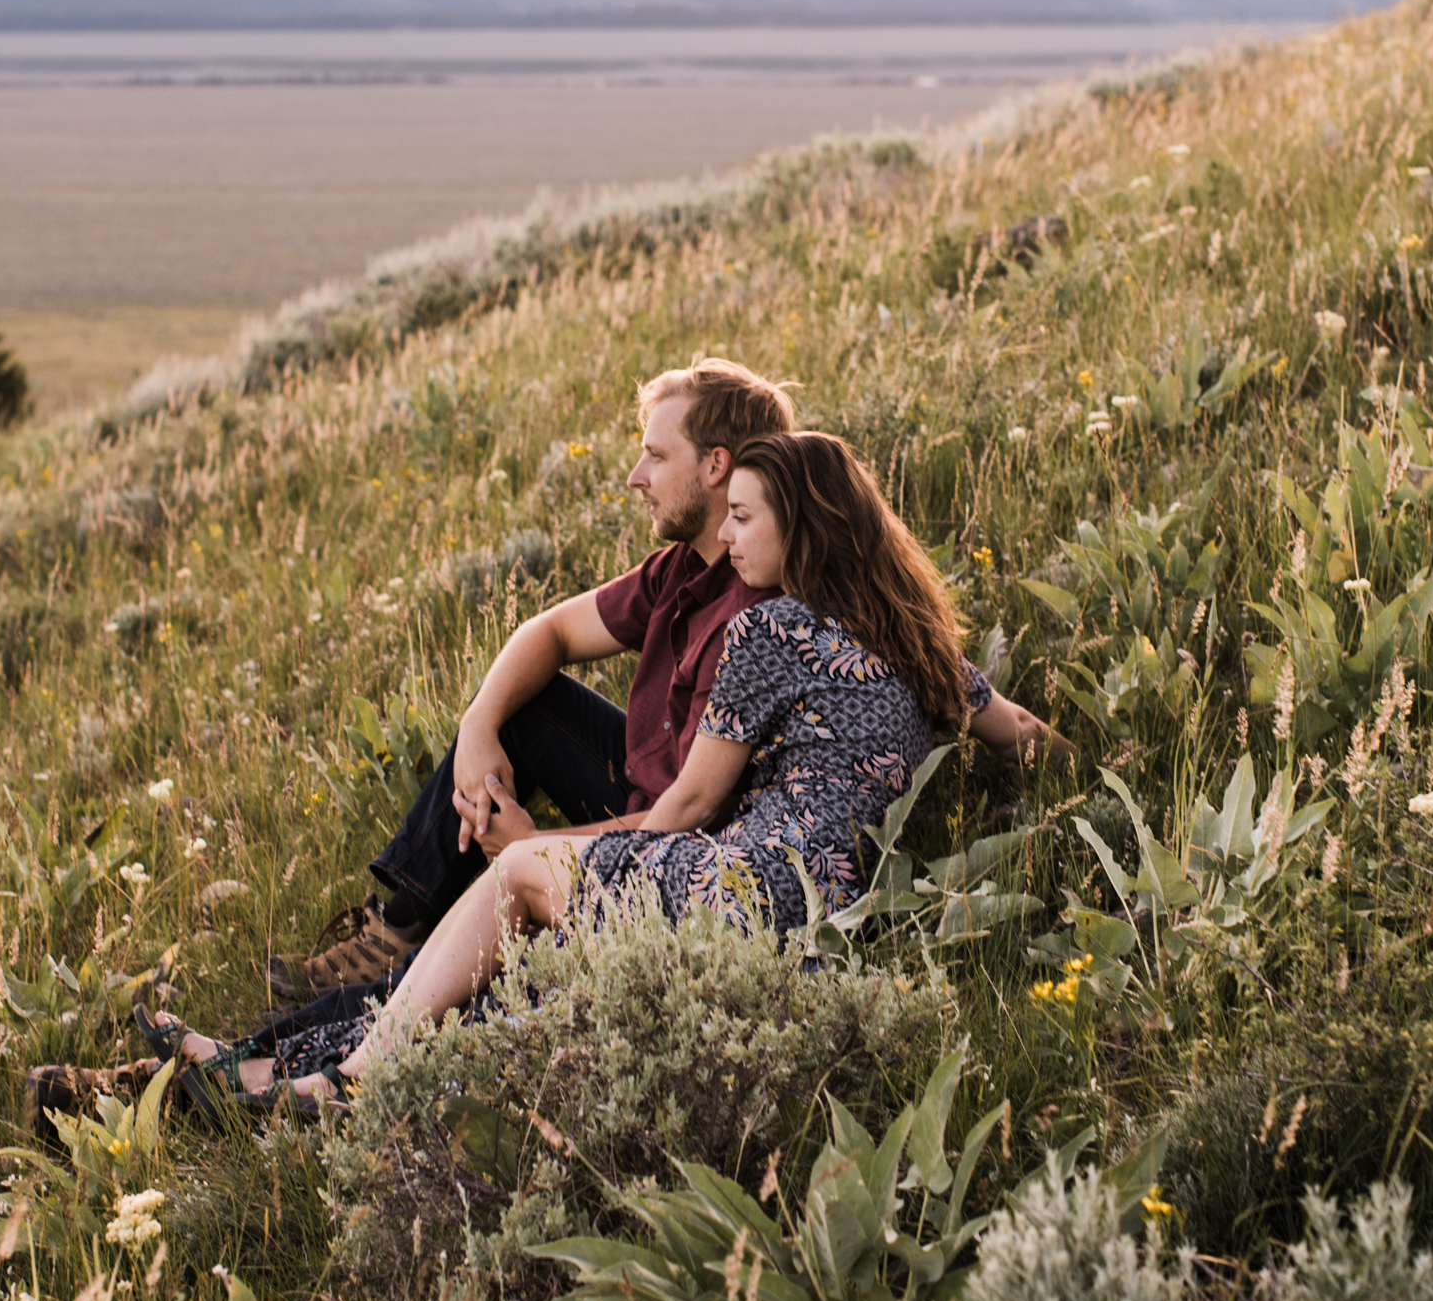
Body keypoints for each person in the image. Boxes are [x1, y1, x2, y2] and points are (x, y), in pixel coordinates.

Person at [141, 432, 1068, 1115]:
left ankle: (347, 1082)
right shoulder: (921, 645)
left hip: (750, 888)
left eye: (746, 520)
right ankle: (264, 1077)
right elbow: (1022, 734)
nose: (732, 540)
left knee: (512, 881)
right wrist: (1083, 782)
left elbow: (690, 807)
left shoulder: (769, 629)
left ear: (806, 525)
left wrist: (538, 845)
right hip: (833, 907)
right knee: (514, 976)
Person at [267, 358, 797, 1001]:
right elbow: (550, 633)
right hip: (643, 795)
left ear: (716, 466)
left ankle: (404, 986)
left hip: (683, 853)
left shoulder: (755, 618)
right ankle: (398, 932)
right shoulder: (681, 567)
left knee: (522, 901)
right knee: (525, 704)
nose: (636, 478)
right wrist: (479, 727)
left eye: (656, 456)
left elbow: (688, 814)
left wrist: (534, 848)